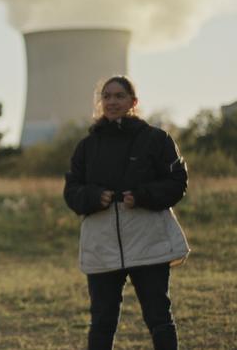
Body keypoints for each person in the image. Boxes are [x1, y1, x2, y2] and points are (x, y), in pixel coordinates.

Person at [63, 75, 190, 350]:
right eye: (106, 96)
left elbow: (177, 182)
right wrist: (95, 197)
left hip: (147, 238)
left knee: (158, 315)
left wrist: (144, 196)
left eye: (119, 96)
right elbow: (71, 191)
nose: (112, 101)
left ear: (133, 101)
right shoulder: (87, 146)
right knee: (102, 320)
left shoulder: (156, 139)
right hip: (102, 242)